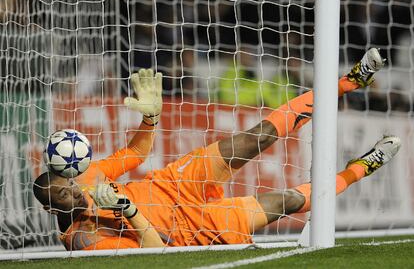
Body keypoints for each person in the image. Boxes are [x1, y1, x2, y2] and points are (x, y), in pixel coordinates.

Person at [33, 49, 401, 250]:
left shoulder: (89, 176)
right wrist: (127, 210)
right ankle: (360, 168)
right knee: (286, 202)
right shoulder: (82, 239)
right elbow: (151, 248)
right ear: (52, 209)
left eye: (69, 183)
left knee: (257, 136)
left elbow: (134, 156)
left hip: (175, 183)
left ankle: (347, 82)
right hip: (190, 229)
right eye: (64, 195)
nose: (74, 190)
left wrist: (150, 119)